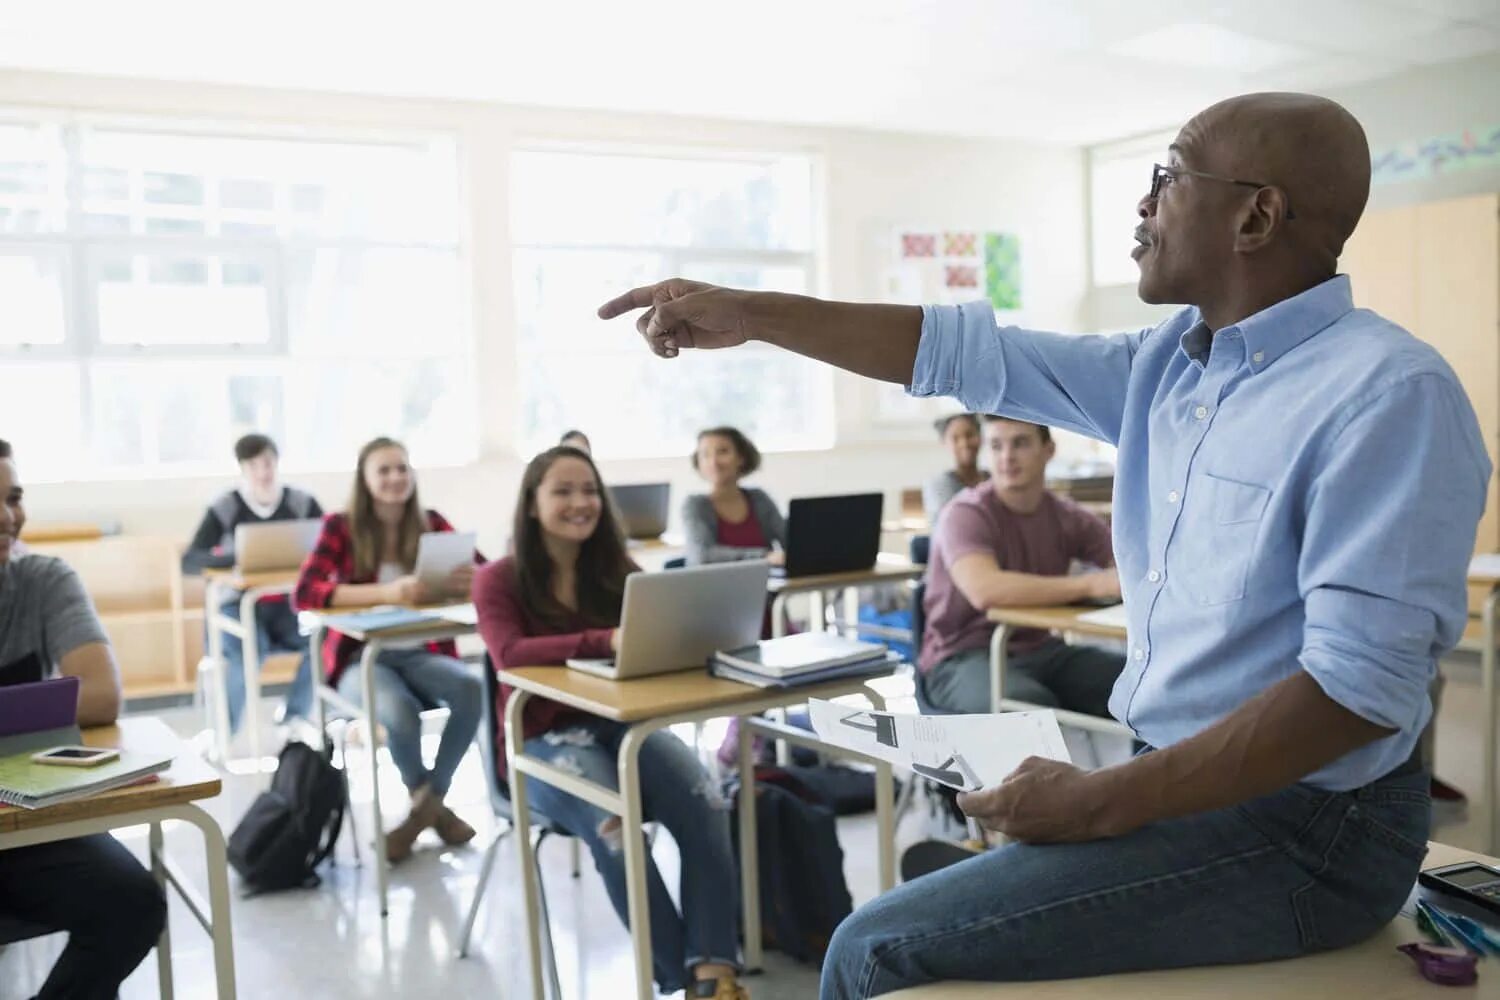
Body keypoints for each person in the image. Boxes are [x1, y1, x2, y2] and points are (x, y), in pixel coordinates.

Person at [598, 92, 1491, 997]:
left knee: (871, 950)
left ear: (1255, 215)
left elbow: (1356, 695)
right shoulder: (1167, 366)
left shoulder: (1387, 394)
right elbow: (954, 352)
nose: (1144, 206)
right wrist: (752, 314)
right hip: (1190, 786)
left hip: (1311, 831)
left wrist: (1099, 803)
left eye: (1168, 178)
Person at [473, 446, 749, 1000]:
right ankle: (681, 980)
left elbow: (653, 632)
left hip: (625, 729)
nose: (581, 503)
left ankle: (713, 973)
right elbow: (510, 653)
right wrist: (604, 639)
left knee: (707, 800)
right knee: (615, 828)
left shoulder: (616, 570)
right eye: (564, 491)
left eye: (590, 491)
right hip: (539, 744)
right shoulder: (497, 580)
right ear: (531, 504)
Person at [0, 438, 168, 1000]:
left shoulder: (44, 580)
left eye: (14, 497)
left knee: (134, 903)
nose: (8, 517)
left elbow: (100, 694)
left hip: (31, 821)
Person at [293, 436, 482, 863]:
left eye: (403, 468)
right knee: (398, 714)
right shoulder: (340, 527)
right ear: (365, 478)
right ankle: (434, 811)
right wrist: (388, 592)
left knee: (472, 688)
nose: (396, 477)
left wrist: (467, 581)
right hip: (361, 658)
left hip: (422, 653)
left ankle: (422, 811)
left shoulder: (431, 522)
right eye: (385, 470)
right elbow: (306, 593)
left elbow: (487, 574)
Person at [920, 415, 1122, 717]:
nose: (1007, 457)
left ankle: (1141, 763)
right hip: (961, 656)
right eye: (996, 446)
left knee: (1140, 683)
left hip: (1041, 649)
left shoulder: (1066, 515)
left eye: (1021, 443)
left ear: (1049, 450)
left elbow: (1129, 565)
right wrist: (1091, 584)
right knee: (1028, 707)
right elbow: (984, 590)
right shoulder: (964, 513)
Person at [181, 432, 323, 731]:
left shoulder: (301, 503)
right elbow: (191, 560)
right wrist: (236, 559)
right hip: (238, 606)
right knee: (248, 651)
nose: (263, 472)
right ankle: (223, 735)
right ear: (243, 468)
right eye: (254, 465)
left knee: (325, 641)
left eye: (268, 463)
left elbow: (328, 546)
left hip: (288, 606)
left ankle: (294, 716)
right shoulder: (226, 507)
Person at [681, 426, 785, 566]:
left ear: (741, 458)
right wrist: (764, 556)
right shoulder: (695, 505)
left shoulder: (759, 499)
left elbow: (788, 538)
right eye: (705, 454)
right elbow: (704, 555)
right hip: (713, 585)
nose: (714, 462)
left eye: (722, 452)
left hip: (762, 583)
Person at [921, 413, 987, 522]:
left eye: (969, 435)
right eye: (955, 438)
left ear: (980, 437)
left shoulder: (992, 478)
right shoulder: (939, 484)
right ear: (944, 442)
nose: (964, 443)